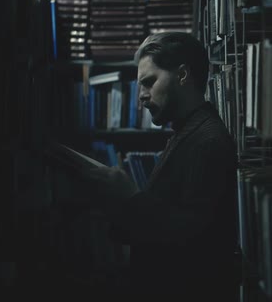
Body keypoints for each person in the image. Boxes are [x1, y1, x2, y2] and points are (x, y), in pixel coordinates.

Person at [85, 32, 240, 300]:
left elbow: (194, 241)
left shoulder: (208, 141)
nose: (141, 97)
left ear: (182, 75)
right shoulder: (187, 131)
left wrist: (129, 197)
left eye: (149, 82)